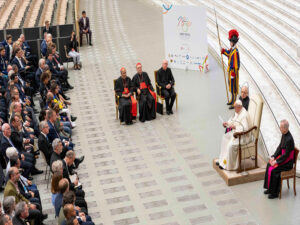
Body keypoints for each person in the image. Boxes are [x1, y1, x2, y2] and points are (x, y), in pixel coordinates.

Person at [263, 120, 295, 199]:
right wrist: (274, 156)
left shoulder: (289, 139)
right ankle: (269, 189)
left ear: (285, 128)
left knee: (274, 170)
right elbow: (280, 147)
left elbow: (286, 155)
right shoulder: (284, 134)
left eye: (281, 127)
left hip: (288, 163)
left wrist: (276, 161)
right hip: (283, 159)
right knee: (268, 164)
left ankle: (275, 193)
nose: (279, 128)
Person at [217, 100, 252, 170]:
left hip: (243, 136)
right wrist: (226, 124)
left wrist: (235, 127)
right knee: (225, 137)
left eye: (235, 107)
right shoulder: (237, 112)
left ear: (239, 107)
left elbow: (245, 128)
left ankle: (229, 165)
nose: (234, 109)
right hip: (235, 134)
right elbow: (232, 120)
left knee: (231, 145)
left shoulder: (244, 115)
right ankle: (222, 161)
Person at [221, 29, 240, 109]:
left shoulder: (235, 51)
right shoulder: (232, 49)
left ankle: (234, 102)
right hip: (230, 72)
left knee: (234, 88)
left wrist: (234, 73)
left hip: (233, 73)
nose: (230, 43)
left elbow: (237, 65)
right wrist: (223, 51)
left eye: (230, 42)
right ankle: (232, 100)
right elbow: (228, 53)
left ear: (233, 42)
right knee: (231, 87)